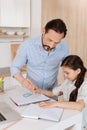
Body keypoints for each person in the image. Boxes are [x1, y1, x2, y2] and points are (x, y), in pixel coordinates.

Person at [11, 18, 69, 92]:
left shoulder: (64, 47)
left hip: (51, 93)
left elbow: (67, 68)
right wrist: (22, 81)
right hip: (31, 91)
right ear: (43, 31)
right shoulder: (28, 45)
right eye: (50, 40)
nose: (51, 45)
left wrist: (66, 83)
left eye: (56, 42)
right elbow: (15, 67)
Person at [35, 55, 87, 128]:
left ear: (78, 71)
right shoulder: (67, 82)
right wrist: (38, 90)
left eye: (67, 73)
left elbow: (79, 105)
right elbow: (52, 93)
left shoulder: (85, 85)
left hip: (80, 121)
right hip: (69, 115)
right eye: (63, 73)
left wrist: (55, 103)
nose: (65, 76)